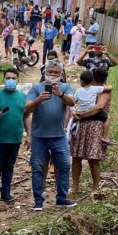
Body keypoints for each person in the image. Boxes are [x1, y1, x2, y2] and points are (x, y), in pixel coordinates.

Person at [25, 59, 76, 209]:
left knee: (65, 165)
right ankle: (38, 201)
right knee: (38, 168)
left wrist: (60, 95)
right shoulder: (36, 88)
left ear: (61, 74)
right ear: (44, 72)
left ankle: (62, 198)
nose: (53, 75)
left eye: (56, 72)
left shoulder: (65, 87)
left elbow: (72, 102)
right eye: (50, 72)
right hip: (39, 136)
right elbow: (27, 109)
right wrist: (38, 100)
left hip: (59, 135)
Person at [0, 68, 26, 206]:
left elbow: (26, 116)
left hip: (15, 138)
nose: (11, 80)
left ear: (18, 80)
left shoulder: (23, 97)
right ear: (3, 79)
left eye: (14, 78)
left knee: (9, 166)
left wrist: (29, 134)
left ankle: (6, 193)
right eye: (8, 78)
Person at [71, 67, 113, 197]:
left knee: (93, 158)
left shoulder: (102, 91)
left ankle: (95, 187)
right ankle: (75, 186)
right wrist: (75, 114)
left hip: (95, 126)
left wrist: (82, 115)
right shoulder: (88, 90)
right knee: (76, 157)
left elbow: (99, 107)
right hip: (82, 126)